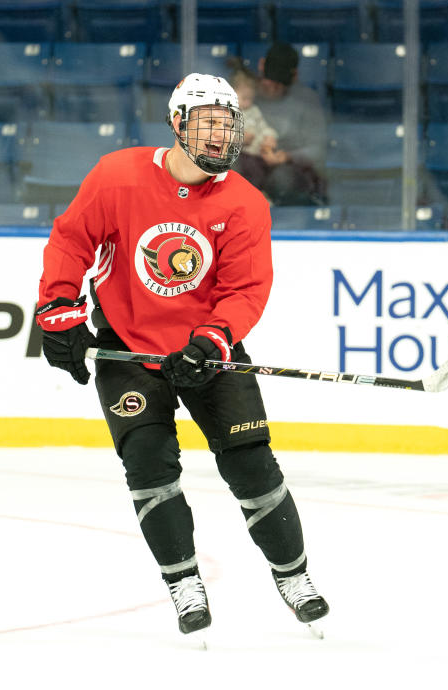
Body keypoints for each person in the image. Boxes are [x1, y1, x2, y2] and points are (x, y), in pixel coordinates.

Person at [33, 73, 330, 637]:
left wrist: (211, 340)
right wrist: (58, 311)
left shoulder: (245, 203)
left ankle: (294, 577)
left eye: (229, 126)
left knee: (251, 465)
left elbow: (245, 290)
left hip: (207, 352)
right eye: (208, 125)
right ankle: (183, 583)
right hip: (128, 348)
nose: (220, 139)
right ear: (176, 124)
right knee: (149, 468)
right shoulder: (116, 176)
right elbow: (72, 239)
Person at [246, 42, 329, 206]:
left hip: (290, 170)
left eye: (279, 84)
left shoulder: (306, 99)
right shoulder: (246, 95)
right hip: (250, 160)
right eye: (269, 81)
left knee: (283, 179)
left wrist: (287, 157)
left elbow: (318, 150)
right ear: (261, 65)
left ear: (294, 76)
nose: (272, 88)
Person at [229, 66, 283, 194]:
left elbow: (263, 126)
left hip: (258, 152)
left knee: (272, 170)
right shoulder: (228, 113)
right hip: (240, 155)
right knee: (251, 171)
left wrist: (270, 136)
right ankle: (250, 195)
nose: (248, 103)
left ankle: (261, 194)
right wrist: (240, 138)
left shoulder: (254, 110)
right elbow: (224, 137)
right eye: (244, 99)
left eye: (250, 99)